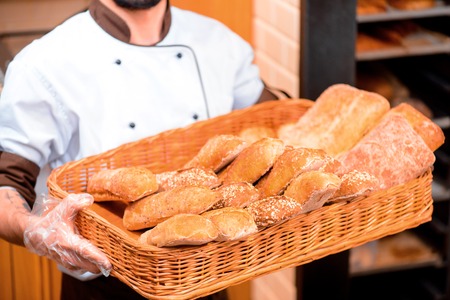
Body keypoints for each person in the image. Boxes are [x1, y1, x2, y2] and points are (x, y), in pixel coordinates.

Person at [0, 0, 279, 299]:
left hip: (209, 282)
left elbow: (277, 125)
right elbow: (6, 182)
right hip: (102, 286)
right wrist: (33, 229)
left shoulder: (218, 42)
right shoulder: (45, 62)